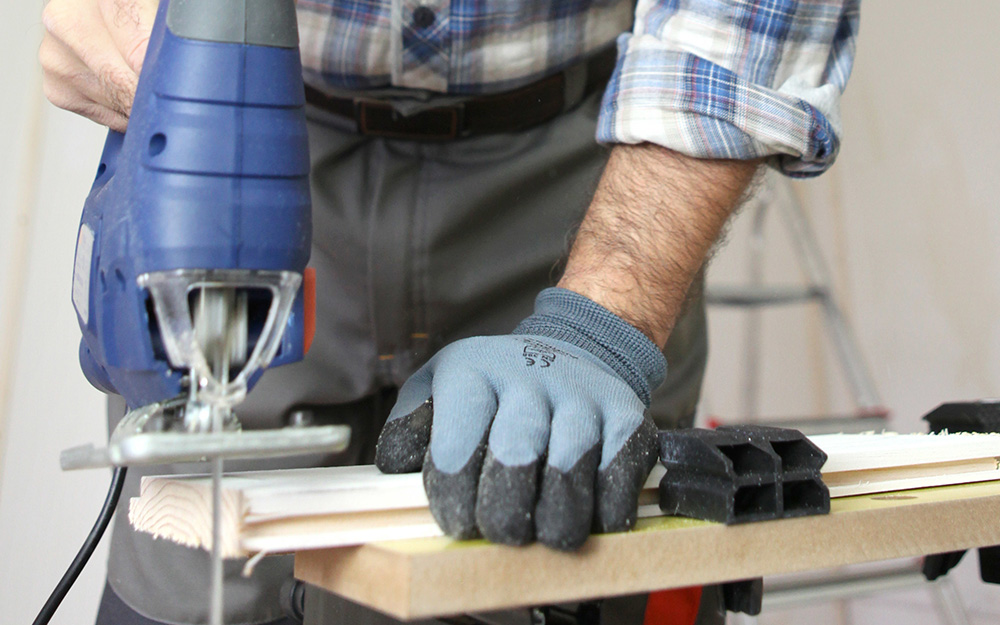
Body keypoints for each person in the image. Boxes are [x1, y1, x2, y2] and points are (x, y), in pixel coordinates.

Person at [40, 0, 859, 623]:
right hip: (248, 129)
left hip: (594, 182)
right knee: (185, 576)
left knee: (553, 546)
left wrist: (596, 329)